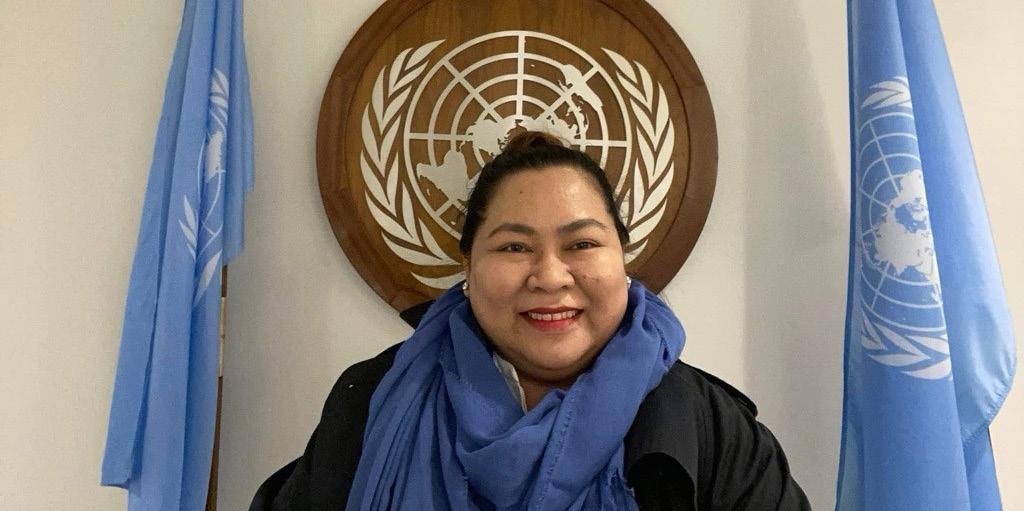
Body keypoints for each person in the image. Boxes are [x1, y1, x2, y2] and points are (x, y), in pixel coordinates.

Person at [250, 131, 810, 510]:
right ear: (468, 265)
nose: (549, 276)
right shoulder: (374, 399)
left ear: (623, 258)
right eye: (514, 247)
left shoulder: (709, 427)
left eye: (582, 243)